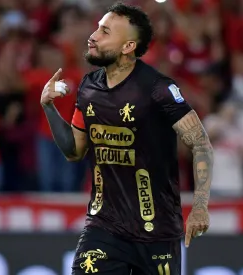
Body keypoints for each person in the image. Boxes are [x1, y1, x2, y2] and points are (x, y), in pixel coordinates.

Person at [40, 3, 213, 275]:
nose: (93, 36)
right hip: (104, 226)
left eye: (105, 31)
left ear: (127, 47)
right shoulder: (88, 87)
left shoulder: (158, 89)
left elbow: (201, 144)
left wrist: (201, 206)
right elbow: (74, 151)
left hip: (157, 232)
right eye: (97, 27)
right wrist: (49, 108)